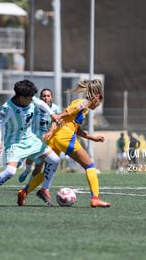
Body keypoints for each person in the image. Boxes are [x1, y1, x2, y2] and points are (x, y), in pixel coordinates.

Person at [17, 79, 111, 208]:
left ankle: (24, 192)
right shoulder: (82, 104)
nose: (98, 105)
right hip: (65, 138)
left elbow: (75, 127)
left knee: (48, 171)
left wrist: (92, 138)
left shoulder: (84, 107)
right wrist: (50, 130)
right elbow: (59, 115)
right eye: (99, 102)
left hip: (56, 138)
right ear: (98, 96)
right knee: (89, 166)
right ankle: (95, 198)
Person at [0, 80, 61, 207]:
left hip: (31, 140)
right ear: (21, 97)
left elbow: (41, 103)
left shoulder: (31, 100)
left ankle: (44, 190)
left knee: (54, 159)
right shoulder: (7, 108)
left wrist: (52, 114)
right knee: (10, 172)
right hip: (14, 143)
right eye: (29, 97)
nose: (32, 99)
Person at [18, 88, 61, 183]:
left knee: (39, 166)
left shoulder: (56, 109)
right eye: (44, 96)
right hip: (34, 138)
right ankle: (27, 170)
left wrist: (50, 131)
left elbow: (57, 123)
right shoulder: (34, 106)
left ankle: (28, 187)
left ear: (51, 97)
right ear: (40, 98)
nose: (46, 98)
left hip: (47, 141)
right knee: (30, 158)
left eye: (48, 96)